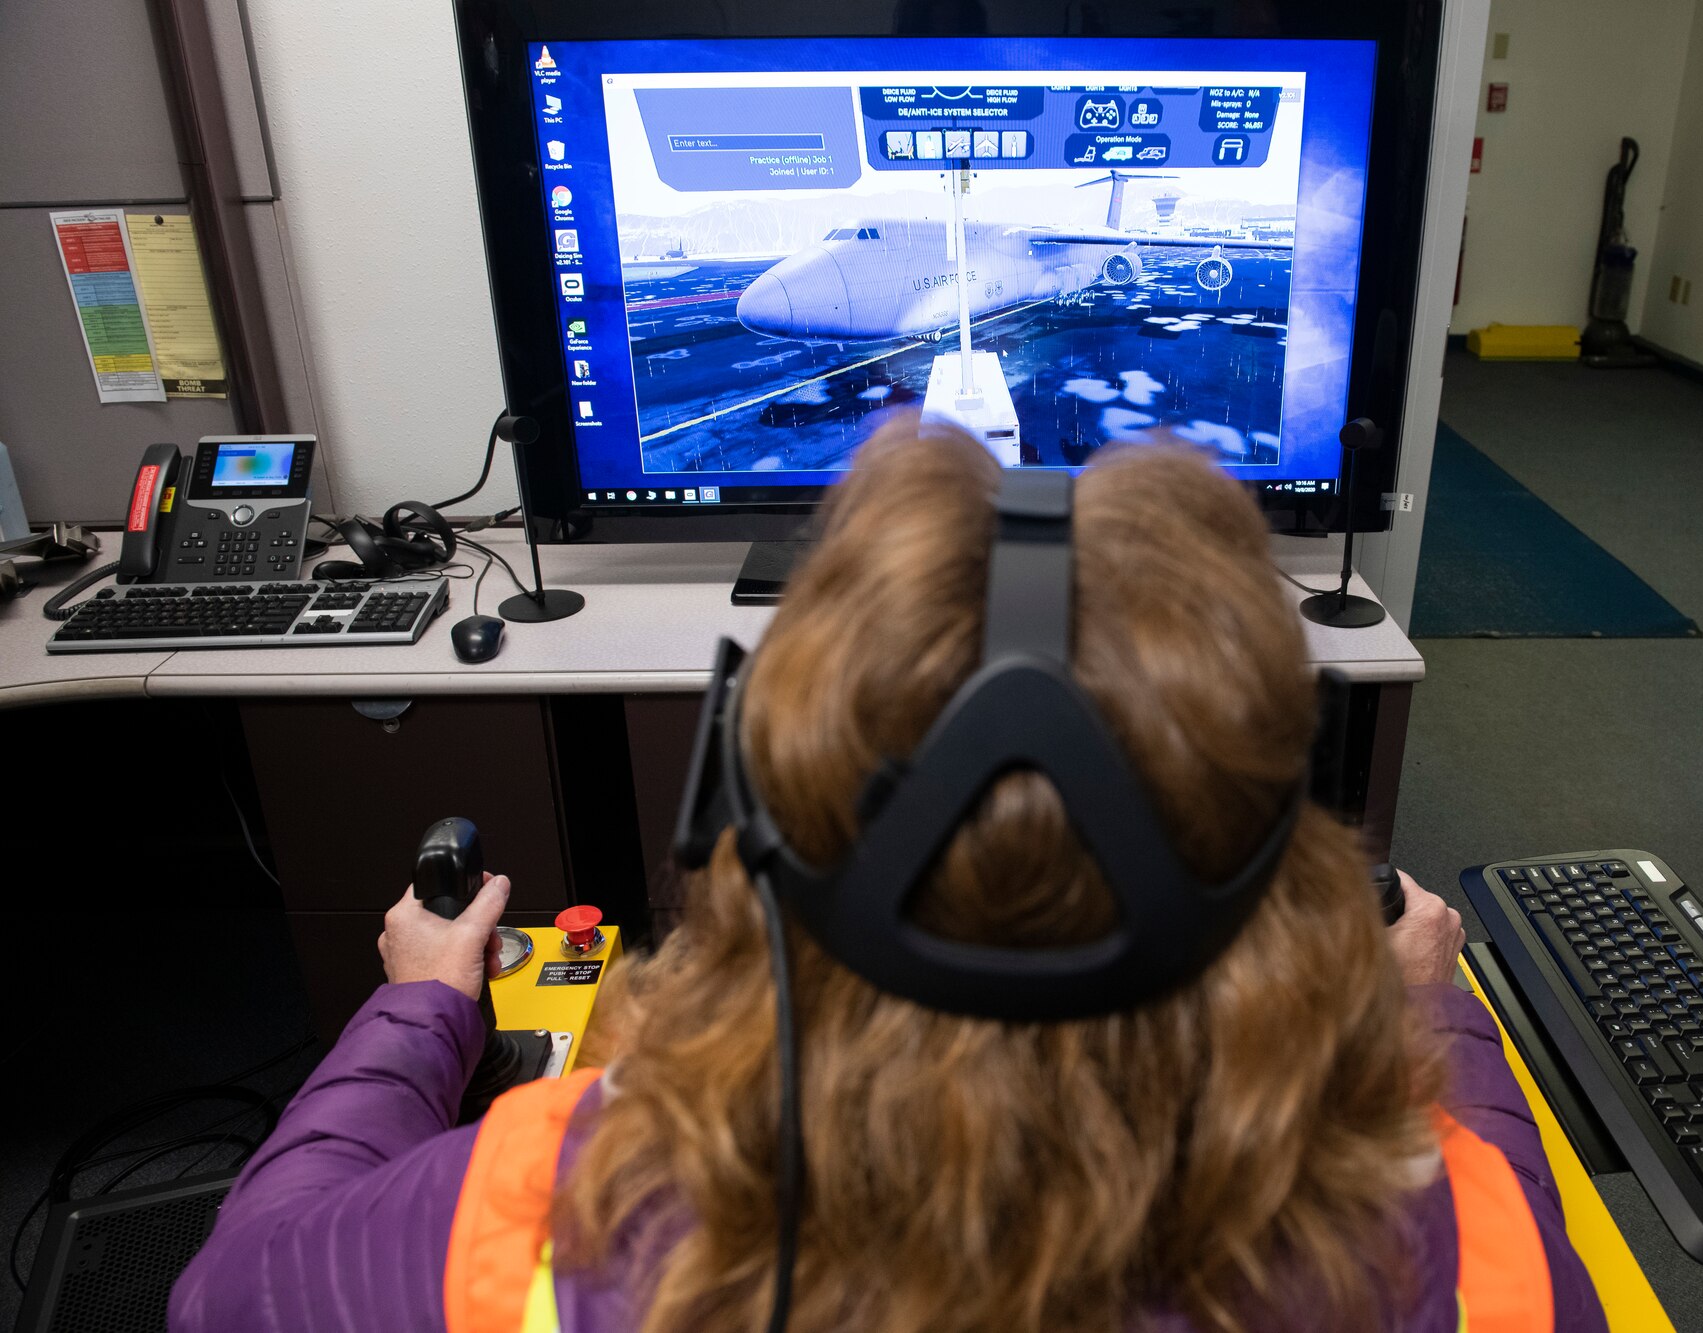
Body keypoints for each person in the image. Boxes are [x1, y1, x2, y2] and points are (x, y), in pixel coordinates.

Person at [170, 417, 1606, 1332]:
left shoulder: (557, 1205)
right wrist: (1441, 1020)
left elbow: (227, 1291)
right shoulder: (1449, 1245)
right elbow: (1530, 1254)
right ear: (1276, 870)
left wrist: (420, 1009)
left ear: (751, 820)